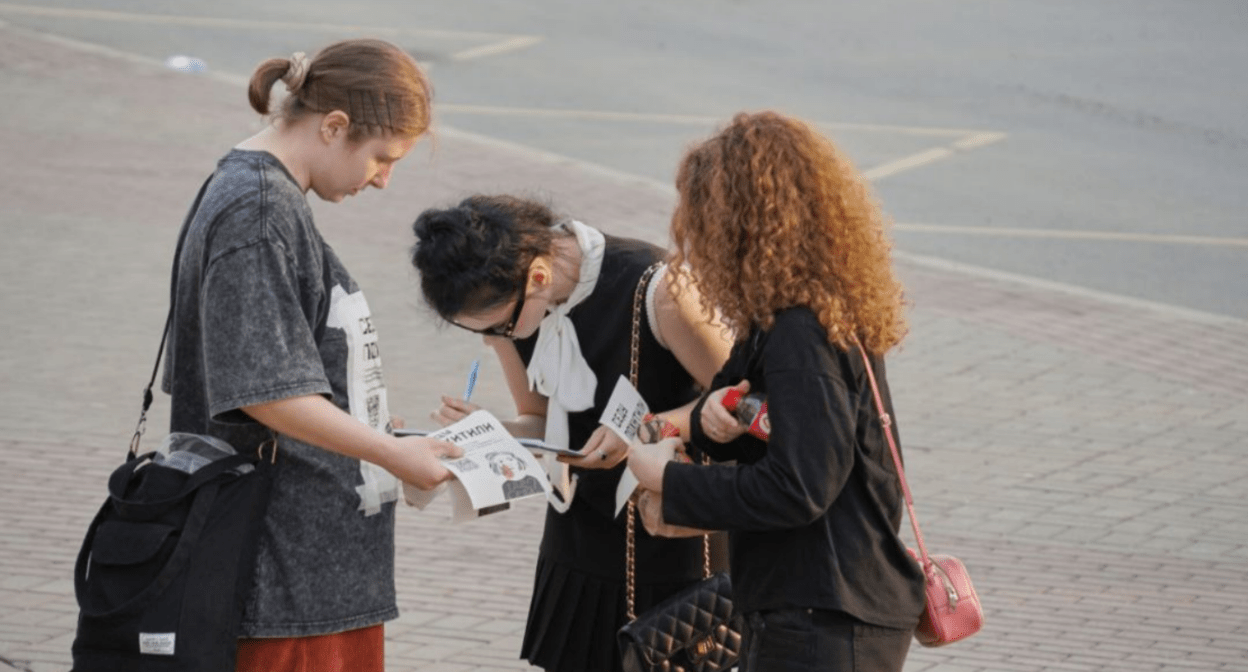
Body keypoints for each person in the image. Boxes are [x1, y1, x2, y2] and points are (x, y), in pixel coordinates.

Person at [161, 39, 460, 672]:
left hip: (306, 571)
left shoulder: (261, 199)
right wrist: (390, 452)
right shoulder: (258, 211)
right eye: (382, 157)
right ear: (333, 126)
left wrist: (375, 428)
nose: (383, 179)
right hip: (281, 569)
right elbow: (266, 391)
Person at [627, 111, 928, 672]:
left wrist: (666, 477)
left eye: (704, 224)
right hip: (820, 603)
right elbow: (784, 439)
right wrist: (716, 419)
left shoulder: (801, 332)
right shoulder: (793, 318)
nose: (697, 244)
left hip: (825, 613)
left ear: (742, 226)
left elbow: (799, 487)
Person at [410, 194, 733, 672]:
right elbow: (538, 418)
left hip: (668, 531)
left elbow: (740, 399)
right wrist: (490, 434)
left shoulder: (657, 288)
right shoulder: (513, 307)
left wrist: (647, 429)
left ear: (538, 277)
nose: (497, 339)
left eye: (499, 327)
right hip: (577, 538)